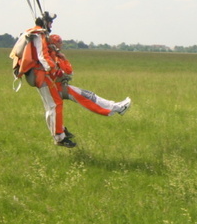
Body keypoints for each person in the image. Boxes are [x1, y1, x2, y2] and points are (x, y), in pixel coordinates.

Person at [15, 13, 130, 147]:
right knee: (54, 105)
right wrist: (54, 70)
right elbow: (42, 57)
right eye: (50, 22)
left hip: (48, 79)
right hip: (44, 77)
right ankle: (59, 136)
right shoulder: (38, 35)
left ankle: (115, 107)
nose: (52, 25)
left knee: (80, 96)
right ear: (46, 22)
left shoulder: (39, 36)